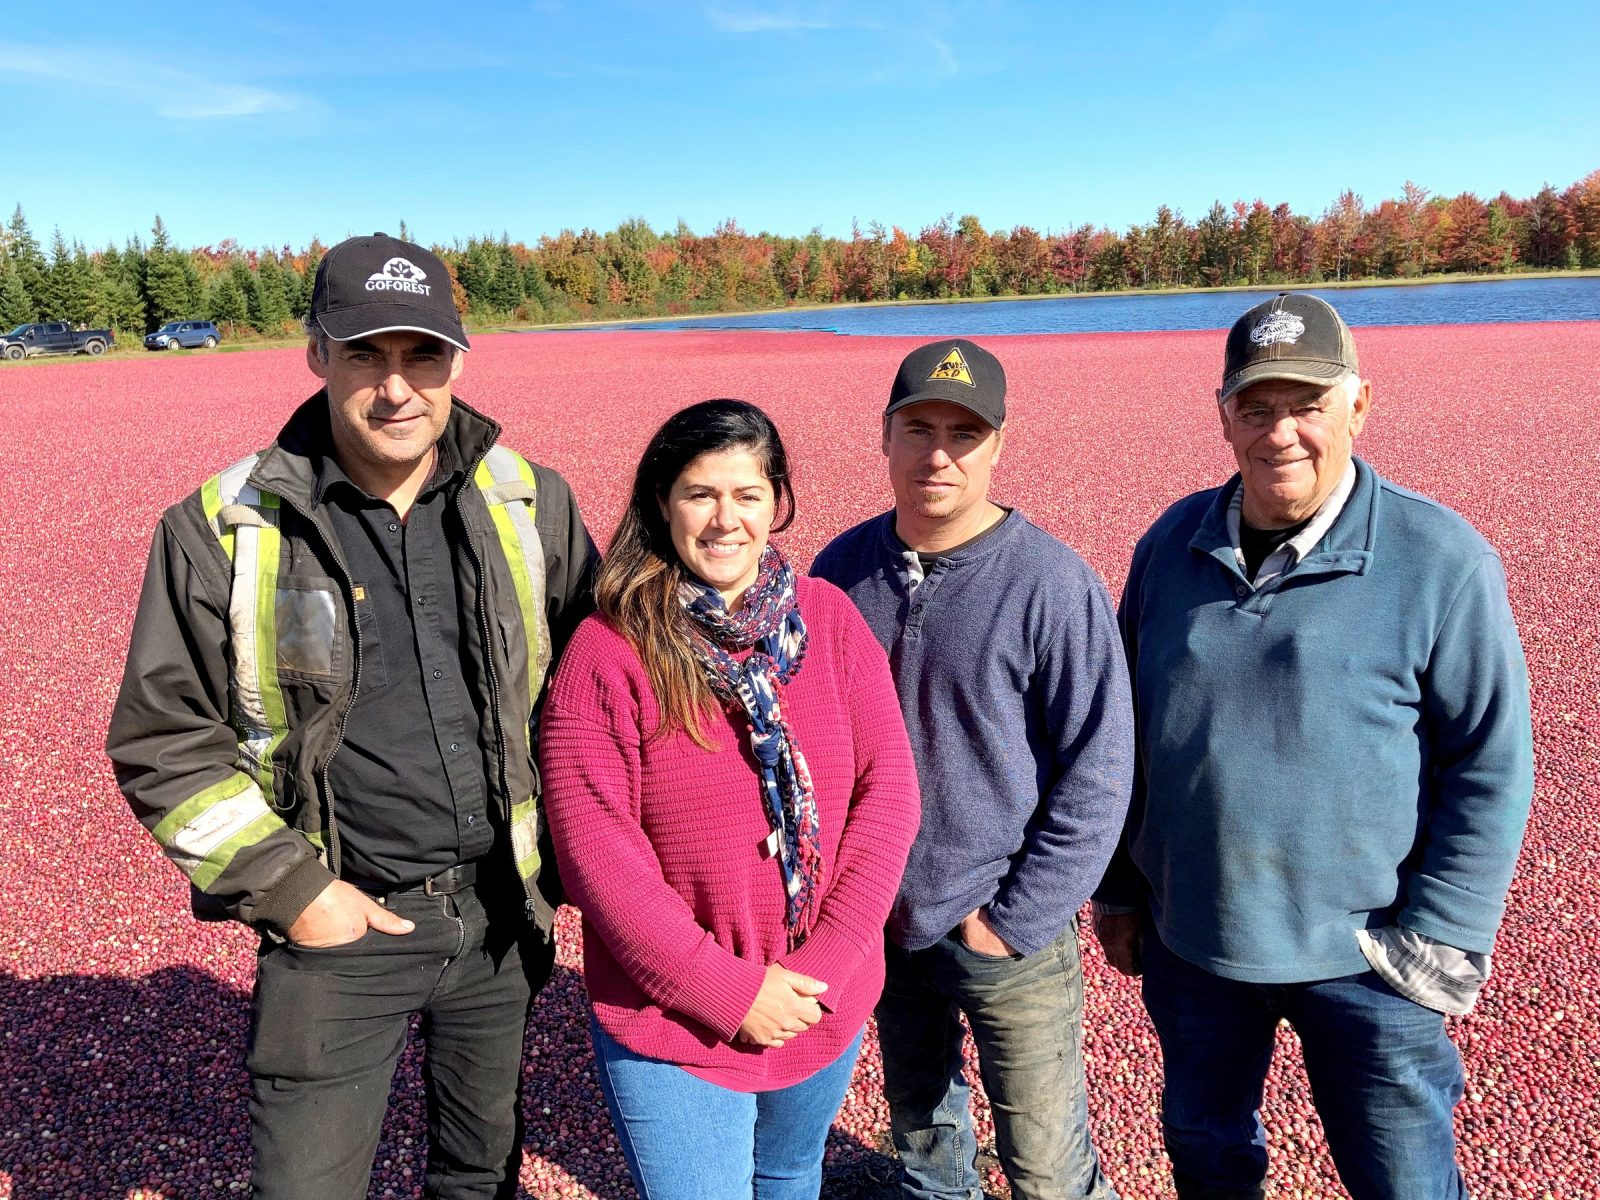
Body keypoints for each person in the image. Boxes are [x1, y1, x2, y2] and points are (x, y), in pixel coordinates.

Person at [106, 233, 599, 1200]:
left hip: (503, 914)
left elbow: (593, 692)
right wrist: (297, 893)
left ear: (457, 358)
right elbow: (163, 738)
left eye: (423, 355)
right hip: (340, 925)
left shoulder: (529, 500)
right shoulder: (221, 527)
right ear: (317, 353)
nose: (397, 388)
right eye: (366, 354)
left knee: (481, 1172)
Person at [1093, 293, 1534, 1200]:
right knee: (1209, 1156)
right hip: (1196, 945)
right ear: (1224, 416)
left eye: (1308, 404)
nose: (1281, 432)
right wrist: (1124, 889)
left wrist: (1440, 936)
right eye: (1256, 407)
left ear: (1359, 408)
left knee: (1402, 1179)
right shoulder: (1171, 545)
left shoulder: (1440, 558)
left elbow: (1490, 761)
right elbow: (1128, 732)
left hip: (1369, 959)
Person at [538, 399, 921, 1200]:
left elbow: (887, 795)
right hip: (674, 1017)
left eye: (747, 494)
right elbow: (599, 859)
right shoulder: (608, 653)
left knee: (788, 1176)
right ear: (660, 503)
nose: (725, 520)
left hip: (821, 997)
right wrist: (731, 991)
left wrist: (823, 967)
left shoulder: (829, 620)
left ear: (776, 500)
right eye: (700, 494)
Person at [812, 339, 1134, 1200]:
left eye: (965, 430)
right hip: (883, 919)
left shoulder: (1051, 583)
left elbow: (1099, 768)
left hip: (1005, 930)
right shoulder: (839, 574)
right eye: (920, 426)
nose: (940, 452)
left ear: (998, 443)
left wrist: (1013, 919)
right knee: (923, 1127)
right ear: (885, 435)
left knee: (1047, 1159)